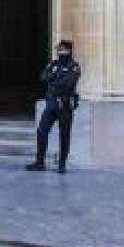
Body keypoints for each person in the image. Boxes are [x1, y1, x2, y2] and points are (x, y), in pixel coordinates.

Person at [26, 40, 81, 174]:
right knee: (42, 131)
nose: (59, 52)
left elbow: (67, 84)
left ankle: (62, 165)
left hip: (65, 104)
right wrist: (55, 79)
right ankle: (40, 162)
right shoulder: (53, 64)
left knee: (64, 135)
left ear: (68, 51)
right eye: (58, 50)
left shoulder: (74, 66)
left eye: (62, 50)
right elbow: (43, 77)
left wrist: (53, 79)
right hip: (51, 103)